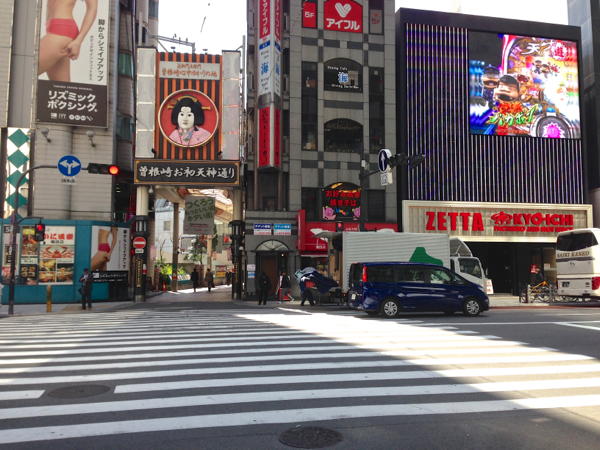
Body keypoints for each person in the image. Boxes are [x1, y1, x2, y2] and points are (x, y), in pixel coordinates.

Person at [38, 0, 99, 82]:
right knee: (61, 86)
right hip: (54, 29)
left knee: (24, 68)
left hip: (62, 30)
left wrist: (79, 41)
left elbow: (92, 8)